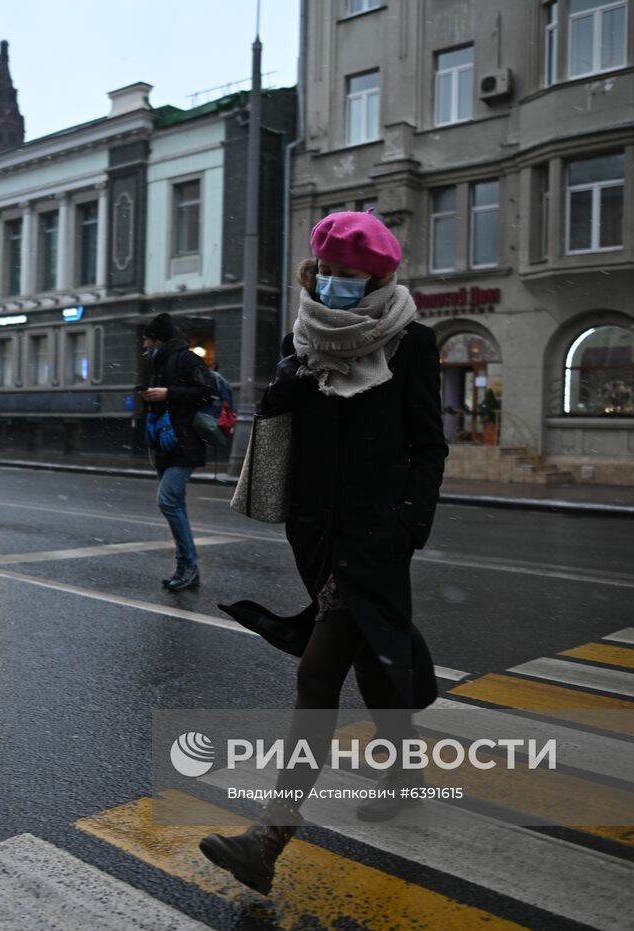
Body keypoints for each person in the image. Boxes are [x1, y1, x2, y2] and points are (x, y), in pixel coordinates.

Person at [199, 212, 448, 894]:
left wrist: (406, 524)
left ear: (379, 275)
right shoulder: (302, 339)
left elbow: (429, 446)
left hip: (376, 536)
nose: (337, 283)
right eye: (328, 271)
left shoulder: (411, 343)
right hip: (319, 536)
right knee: (373, 660)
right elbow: (284, 427)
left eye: (351, 273)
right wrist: (288, 379)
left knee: (317, 674)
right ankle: (405, 775)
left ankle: (269, 836)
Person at [139, 312, 214, 591]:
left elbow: (206, 392)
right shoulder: (159, 361)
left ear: (159, 338)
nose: (144, 345)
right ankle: (184, 566)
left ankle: (189, 565)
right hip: (166, 441)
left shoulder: (186, 359)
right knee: (175, 503)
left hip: (185, 441)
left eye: (147, 339)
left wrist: (168, 393)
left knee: (168, 500)